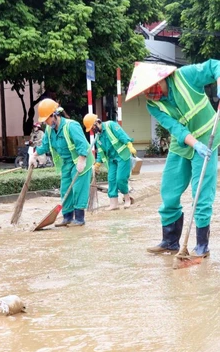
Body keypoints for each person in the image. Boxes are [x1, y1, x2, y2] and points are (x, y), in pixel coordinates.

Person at [127, 59, 220, 257]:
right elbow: (175, 128)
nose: (150, 93)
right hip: (183, 142)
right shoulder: (153, 105)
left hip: (207, 136)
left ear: (161, 78)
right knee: (169, 190)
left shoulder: (186, 76)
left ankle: (202, 245)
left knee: (201, 193)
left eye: (151, 87)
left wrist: (219, 82)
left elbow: (214, 66)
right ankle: (170, 241)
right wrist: (194, 144)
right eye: (145, 90)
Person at [29, 98, 94, 227]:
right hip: (67, 163)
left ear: (55, 115)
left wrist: (82, 160)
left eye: (47, 119)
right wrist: (34, 154)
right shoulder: (49, 130)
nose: (46, 123)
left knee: (78, 189)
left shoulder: (71, 126)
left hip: (80, 160)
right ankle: (67, 217)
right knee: (65, 189)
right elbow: (46, 145)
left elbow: (82, 145)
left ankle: (80, 219)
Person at [83, 114, 137, 210]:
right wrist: (98, 163)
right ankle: (113, 204)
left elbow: (122, 135)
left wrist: (129, 144)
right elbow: (100, 151)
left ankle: (127, 199)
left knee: (120, 179)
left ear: (97, 122)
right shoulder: (98, 137)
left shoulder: (110, 125)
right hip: (112, 159)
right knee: (111, 180)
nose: (93, 130)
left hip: (122, 156)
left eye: (92, 128)